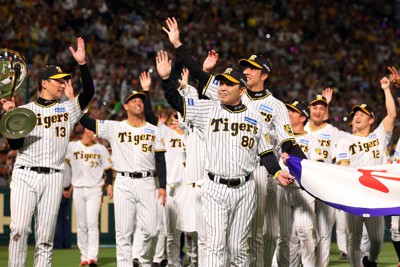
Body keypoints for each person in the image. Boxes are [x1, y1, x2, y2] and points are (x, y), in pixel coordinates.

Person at [161, 17, 307, 266]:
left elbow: (287, 143)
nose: (247, 71)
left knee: (266, 235)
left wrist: (306, 166)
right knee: (229, 241)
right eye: (245, 68)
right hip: (223, 174)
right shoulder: (224, 96)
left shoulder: (275, 106)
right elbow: (196, 74)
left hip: (260, 170)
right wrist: (177, 45)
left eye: (251, 68)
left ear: (264, 74)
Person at [1, 37, 94, 267]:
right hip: (25, 174)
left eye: (64, 81)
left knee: (44, 238)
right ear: (44, 83)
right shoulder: (25, 110)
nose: (63, 84)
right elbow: (14, 146)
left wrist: (82, 64)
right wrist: (10, 116)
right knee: (19, 230)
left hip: (54, 176)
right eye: (58, 81)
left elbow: (89, 91)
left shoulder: (68, 108)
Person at [79, 90, 167, 267]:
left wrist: (163, 186)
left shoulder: (154, 130)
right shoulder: (115, 127)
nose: (138, 103)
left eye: (140, 100)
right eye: (133, 100)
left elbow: (160, 160)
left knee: (152, 229)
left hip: (147, 181)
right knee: (123, 233)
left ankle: (142, 260)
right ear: (125, 106)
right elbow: (86, 121)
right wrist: (77, 102)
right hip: (124, 181)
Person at [336, 76, 396, 267]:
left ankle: (371, 260)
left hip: (374, 193)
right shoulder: (345, 140)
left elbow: (392, 115)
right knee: (354, 237)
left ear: (371, 119)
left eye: (362, 113)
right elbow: (343, 167)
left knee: (377, 239)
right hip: (354, 193)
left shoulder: (379, 137)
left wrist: (386, 89)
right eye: (355, 114)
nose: (357, 116)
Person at [303, 94, 349, 267]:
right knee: (303, 231)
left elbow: (340, 158)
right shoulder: (301, 128)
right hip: (304, 186)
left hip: (325, 186)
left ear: (326, 111)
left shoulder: (333, 132)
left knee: (324, 233)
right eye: (315, 107)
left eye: (322, 108)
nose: (318, 111)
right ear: (309, 109)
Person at [277, 100, 320, 267]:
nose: (288, 114)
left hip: (303, 191)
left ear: (303, 117)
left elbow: (317, 166)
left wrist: (295, 160)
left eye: (292, 111)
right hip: (282, 189)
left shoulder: (312, 139)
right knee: (285, 236)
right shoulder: (280, 136)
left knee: (305, 234)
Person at [65, 127, 114, 267]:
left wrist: (109, 185)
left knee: (92, 223)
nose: (95, 134)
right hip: (79, 188)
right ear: (85, 131)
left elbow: (108, 170)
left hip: (95, 189)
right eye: (92, 131)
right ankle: (84, 256)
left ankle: (93, 257)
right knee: (82, 225)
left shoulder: (101, 149)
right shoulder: (72, 146)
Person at [53, 163, 72, 250]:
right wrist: (69, 191)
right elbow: (74, 179)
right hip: (67, 192)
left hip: (59, 191)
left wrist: (62, 192)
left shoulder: (58, 164)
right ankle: (67, 244)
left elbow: (56, 180)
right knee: (65, 219)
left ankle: (58, 244)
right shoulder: (68, 165)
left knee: (58, 220)